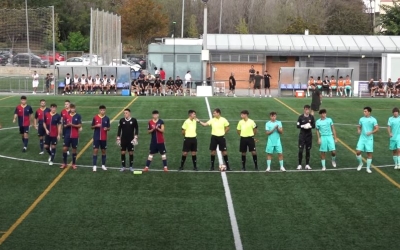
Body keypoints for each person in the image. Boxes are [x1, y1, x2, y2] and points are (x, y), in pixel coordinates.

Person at [356, 107, 379, 173]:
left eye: (365, 111)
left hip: (369, 139)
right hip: (362, 138)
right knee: (358, 152)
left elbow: (377, 128)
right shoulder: (361, 119)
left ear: (369, 112)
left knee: (369, 154)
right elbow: (359, 126)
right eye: (364, 111)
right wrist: (358, 130)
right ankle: (360, 163)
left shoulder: (373, 120)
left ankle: (368, 168)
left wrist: (371, 132)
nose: (364, 112)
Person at [61, 103, 81, 170]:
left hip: (75, 135)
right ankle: (64, 163)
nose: (72, 109)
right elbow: (64, 125)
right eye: (71, 108)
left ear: (75, 109)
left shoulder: (78, 116)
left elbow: (79, 125)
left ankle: (74, 164)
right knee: (64, 149)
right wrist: (67, 125)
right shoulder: (66, 116)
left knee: (74, 150)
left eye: (73, 108)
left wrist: (72, 124)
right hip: (67, 135)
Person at [92, 105, 111, 172]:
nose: (102, 111)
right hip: (96, 137)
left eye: (103, 110)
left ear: (105, 110)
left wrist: (107, 128)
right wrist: (96, 126)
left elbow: (109, 128)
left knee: (103, 151)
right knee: (95, 151)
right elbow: (92, 127)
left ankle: (103, 165)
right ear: (99, 110)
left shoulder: (107, 118)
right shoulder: (95, 117)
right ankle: (94, 166)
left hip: (103, 138)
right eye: (101, 110)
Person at [296, 105, 315, 170]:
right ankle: (299, 164)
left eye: (308, 109)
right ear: (304, 110)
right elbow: (298, 126)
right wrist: (303, 126)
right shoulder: (300, 117)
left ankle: (307, 164)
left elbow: (314, 125)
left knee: (308, 150)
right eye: (306, 109)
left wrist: (309, 126)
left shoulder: (311, 117)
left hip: (309, 136)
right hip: (302, 135)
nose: (307, 111)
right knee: (301, 150)